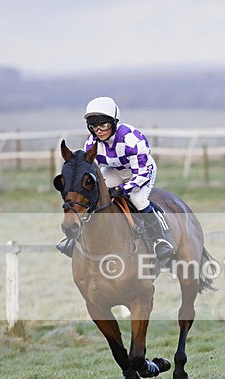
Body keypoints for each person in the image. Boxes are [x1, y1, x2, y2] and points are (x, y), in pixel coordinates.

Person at [58, 96, 175, 262]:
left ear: (114, 122)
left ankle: (160, 240)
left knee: (137, 199)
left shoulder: (132, 138)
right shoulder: (91, 143)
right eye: (94, 126)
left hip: (141, 171)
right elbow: (91, 171)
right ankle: (74, 238)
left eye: (104, 125)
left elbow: (141, 172)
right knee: (93, 195)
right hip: (115, 171)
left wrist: (123, 189)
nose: (99, 131)